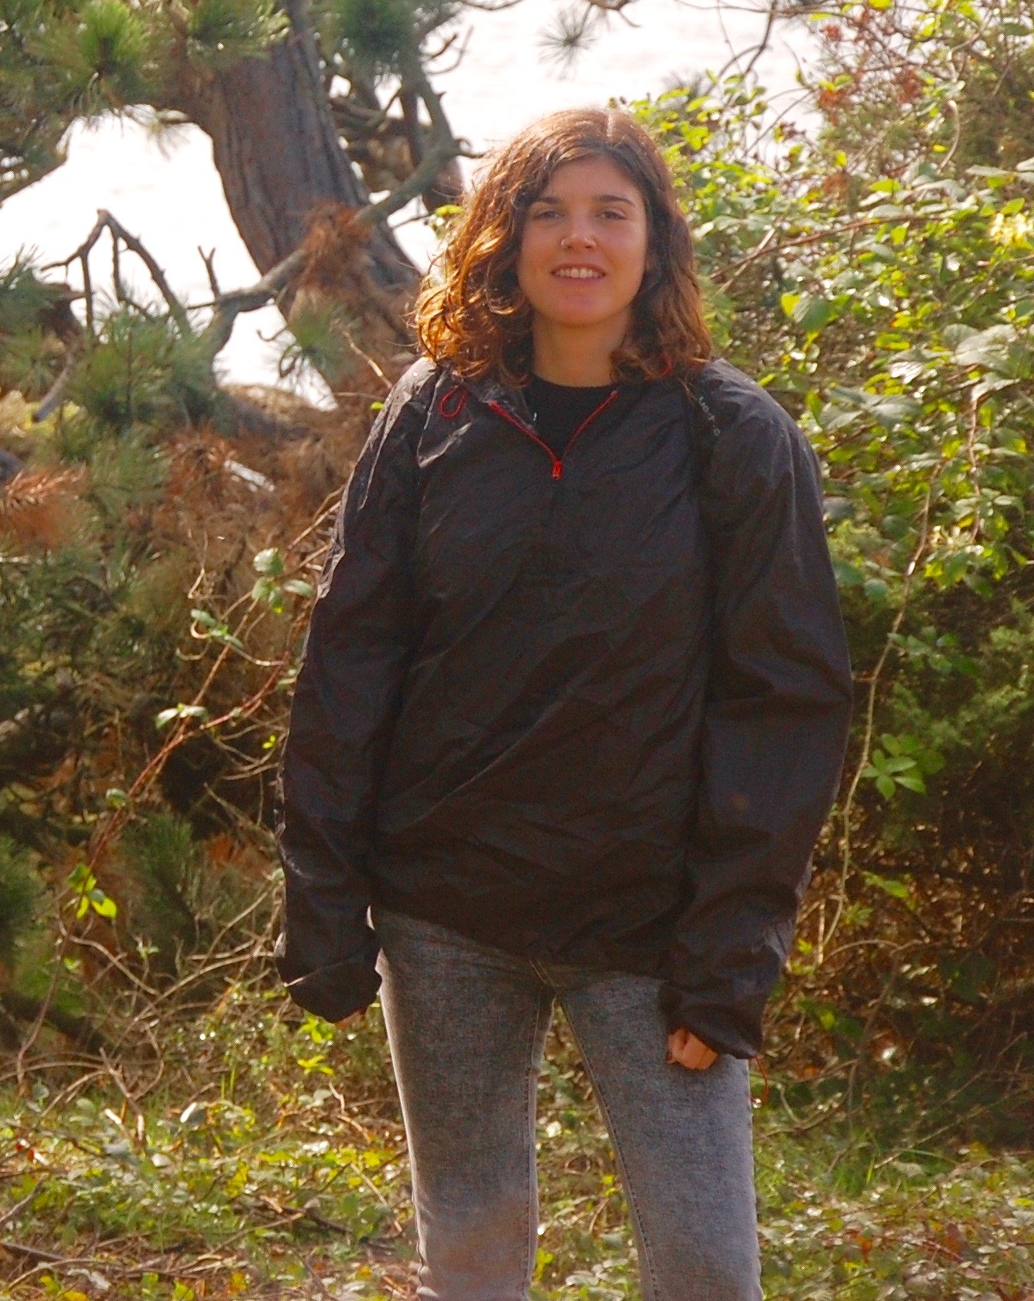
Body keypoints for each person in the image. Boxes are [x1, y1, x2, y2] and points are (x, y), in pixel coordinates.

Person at [275, 106, 850, 1301]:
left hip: (647, 923)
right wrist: (325, 893)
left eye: (608, 211)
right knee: (472, 1259)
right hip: (443, 910)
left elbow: (782, 703)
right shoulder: (434, 413)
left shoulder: (730, 436)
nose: (575, 238)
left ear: (654, 243)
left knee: (702, 1268)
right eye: (546, 210)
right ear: (501, 236)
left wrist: (730, 950)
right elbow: (351, 658)